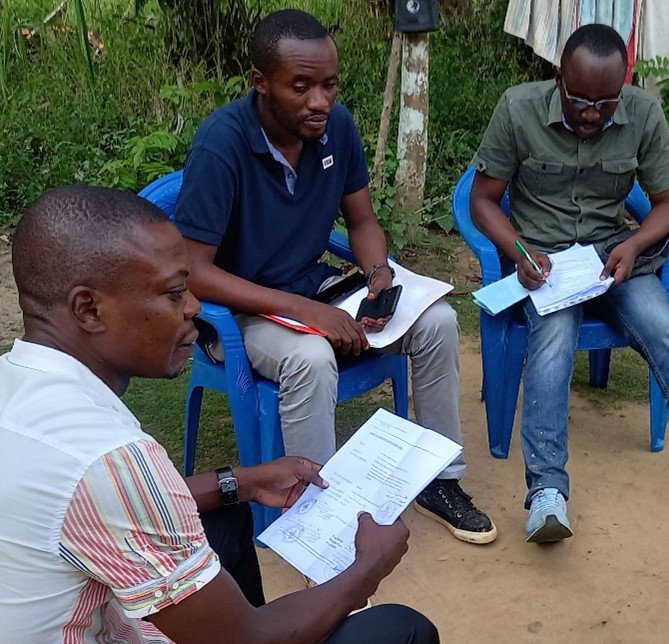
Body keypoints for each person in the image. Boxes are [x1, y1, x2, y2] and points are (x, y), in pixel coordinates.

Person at [0, 185, 458, 644]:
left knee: (225, 517)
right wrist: (364, 569)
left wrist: (237, 481)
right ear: (89, 309)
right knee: (401, 642)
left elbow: (69, 516)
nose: (194, 307)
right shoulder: (108, 455)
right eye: (172, 292)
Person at [173, 9, 497, 545]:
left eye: (328, 84)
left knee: (436, 320)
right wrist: (308, 314)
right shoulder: (222, 144)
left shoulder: (335, 128)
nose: (319, 101)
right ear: (261, 84)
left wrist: (377, 271)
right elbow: (194, 272)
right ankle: (324, 516)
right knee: (311, 356)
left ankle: (441, 480)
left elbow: (363, 220)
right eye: (300, 87)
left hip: (314, 288)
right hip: (238, 313)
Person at [469, 24, 669, 543]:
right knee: (552, 343)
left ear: (624, 86)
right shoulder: (517, 107)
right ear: (558, 79)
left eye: (606, 102)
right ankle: (547, 495)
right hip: (546, 264)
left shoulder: (643, 112)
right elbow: (482, 200)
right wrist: (518, 251)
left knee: (668, 334)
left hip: (613, 260)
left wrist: (636, 244)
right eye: (579, 101)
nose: (593, 114)